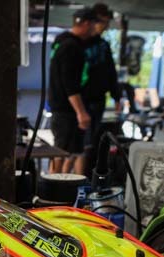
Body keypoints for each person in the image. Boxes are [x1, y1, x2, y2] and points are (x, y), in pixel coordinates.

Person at [47, 8, 100, 174]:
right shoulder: (71, 47)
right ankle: (53, 185)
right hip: (66, 110)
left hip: (63, 108)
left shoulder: (62, 42)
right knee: (61, 152)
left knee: (70, 152)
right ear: (87, 24)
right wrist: (81, 112)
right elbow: (69, 83)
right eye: (94, 25)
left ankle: (62, 184)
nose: (95, 30)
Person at [79, 4, 121, 163]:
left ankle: (85, 174)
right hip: (79, 100)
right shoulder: (77, 43)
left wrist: (116, 97)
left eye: (107, 23)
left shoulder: (104, 45)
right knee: (75, 144)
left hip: (97, 99)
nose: (105, 27)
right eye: (103, 22)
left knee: (90, 142)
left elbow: (111, 72)